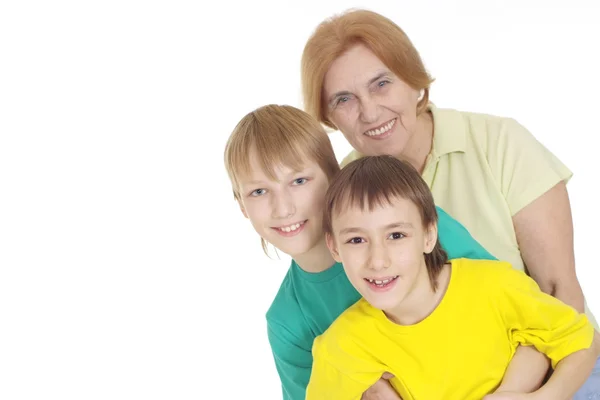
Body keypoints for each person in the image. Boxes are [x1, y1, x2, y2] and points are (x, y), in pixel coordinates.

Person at [223, 105, 549, 400]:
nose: (283, 207)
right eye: (259, 191)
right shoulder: (288, 321)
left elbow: (531, 322)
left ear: (333, 176)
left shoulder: (414, 229)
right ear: (241, 205)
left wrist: (511, 392)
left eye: (299, 180)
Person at [300, 8, 597, 329]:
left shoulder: (500, 143)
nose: (370, 112)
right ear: (328, 117)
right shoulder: (339, 190)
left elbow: (558, 291)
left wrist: (542, 381)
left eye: (382, 83)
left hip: (558, 356)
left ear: (413, 80)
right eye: (344, 100)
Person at [306, 154, 600, 400]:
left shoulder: (494, 286)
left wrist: (544, 398)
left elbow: (581, 341)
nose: (378, 260)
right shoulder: (341, 349)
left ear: (428, 235)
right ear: (334, 247)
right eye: (356, 240)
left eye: (396, 235)